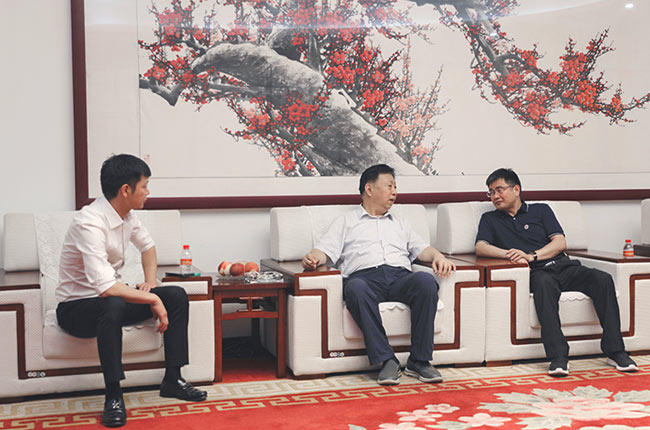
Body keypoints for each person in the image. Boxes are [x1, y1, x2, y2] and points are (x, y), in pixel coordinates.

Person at [56, 154, 207, 428]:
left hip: (109, 302)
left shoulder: (127, 216)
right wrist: (151, 298)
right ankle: (114, 395)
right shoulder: (89, 222)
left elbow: (148, 246)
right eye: (145, 186)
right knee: (114, 302)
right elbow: (105, 288)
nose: (148, 192)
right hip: (75, 309)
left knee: (175, 296)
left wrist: (150, 284)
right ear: (126, 190)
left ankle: (173, 379)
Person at [301, 164, 455, 386]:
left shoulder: (400, 222)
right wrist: (312, 258)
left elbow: (423, 249)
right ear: (369, 189)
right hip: (365, 279)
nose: (394, 192)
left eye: (396, 187)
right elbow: (324, 251)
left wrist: (438, 256)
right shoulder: (346, 222)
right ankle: (386, 359)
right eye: (389, 186)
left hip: (400, 277)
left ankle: (419, 360)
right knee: (355, 288)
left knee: (426, 281)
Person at [475, 167, 637, 377]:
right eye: (491, 192)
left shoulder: (541, 210)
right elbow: (481, 247)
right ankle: (558, 357)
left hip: (563, 266)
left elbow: (560, 242)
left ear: (516, 189)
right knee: (543, 285)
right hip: (536, 273)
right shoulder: (490, 219)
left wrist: (532, 255)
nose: (495, 196)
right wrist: (510, 254)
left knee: (603, 279)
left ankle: (616, 352)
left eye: (499, 190)